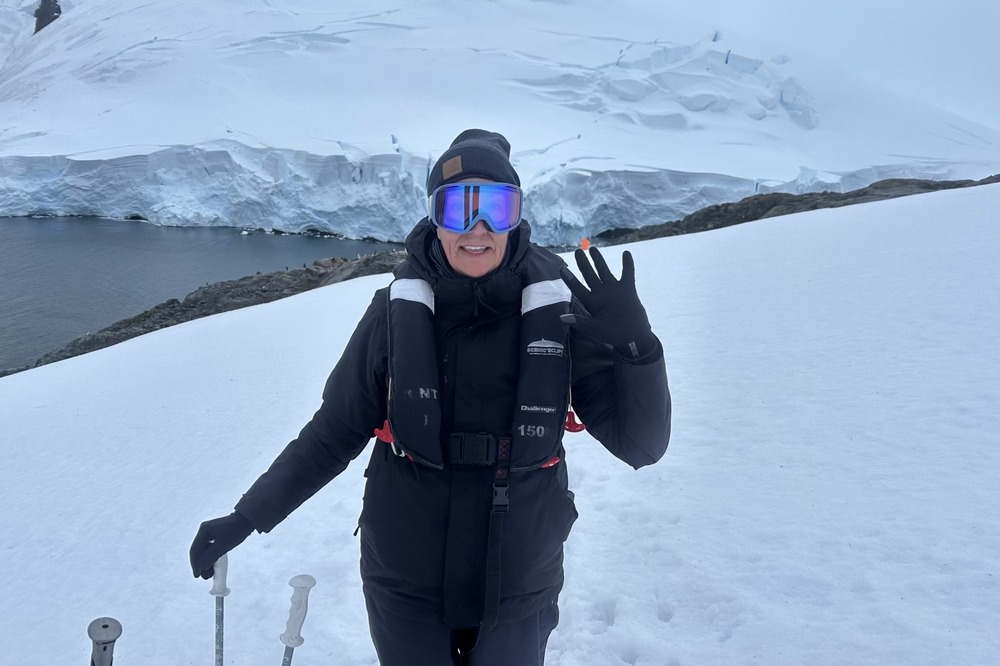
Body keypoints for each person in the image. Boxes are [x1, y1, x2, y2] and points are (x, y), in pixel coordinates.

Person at [189, 129, 671, 665]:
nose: (478, 229)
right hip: (407, 573)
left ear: (517, 216)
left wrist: (636, 349)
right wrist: (248, 515)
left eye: (496, 208)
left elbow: (641, 445)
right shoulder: (395, 312)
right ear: (435, 217)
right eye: (458, 208)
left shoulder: (558, 309)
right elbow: (334, 431)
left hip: (519, 573)